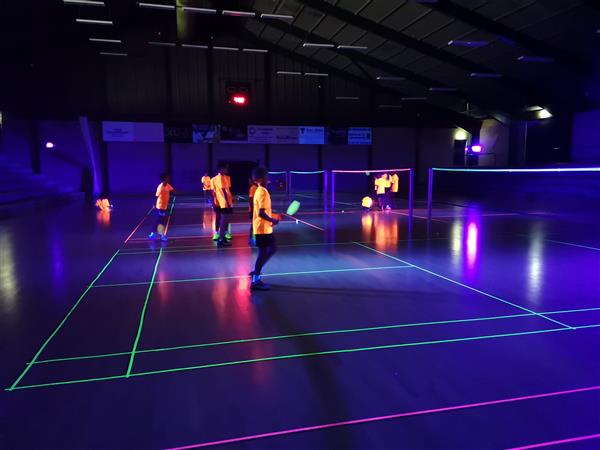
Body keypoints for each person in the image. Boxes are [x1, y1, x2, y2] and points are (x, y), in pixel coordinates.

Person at [250, 167, 279, 291]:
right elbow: (261, 213)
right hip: (262, 228)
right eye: (267, 176)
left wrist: (272, 218)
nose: (268, 178)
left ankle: (257, 270)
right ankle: (256, 280)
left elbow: (262, 211)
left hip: (264, 227)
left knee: (272, 249)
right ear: (262, 178)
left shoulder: (260, 190)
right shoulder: (262, 192)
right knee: (263, 253)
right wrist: (273, 220)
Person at [212, 162, 233, 248]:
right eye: (226, 168)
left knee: (225, 221)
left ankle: (223, 238)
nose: (227, 169)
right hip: (224, 202)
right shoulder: (219, 178)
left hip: (226, 202)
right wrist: (227, 202)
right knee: (223, 221)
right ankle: (220, 240)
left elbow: (227, 190)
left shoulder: (225, 177)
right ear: (221, 169)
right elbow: (223, 191)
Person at [149, 173, 174, 242]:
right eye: (167, 178)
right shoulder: (160, 187)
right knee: (161, 221)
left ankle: (152, 234)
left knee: (159, 221)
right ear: (164, 179)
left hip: (164, 207)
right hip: (160, 206)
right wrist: (154, 205)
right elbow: (156, 196)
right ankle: (162, 236)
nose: (169, 179)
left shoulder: (167, 185)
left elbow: (173, 190)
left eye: (169, 178)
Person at [248, 178, 258, 247]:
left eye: (249, 180)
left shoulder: (253, 188)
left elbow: (251, 199)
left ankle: (252, 239)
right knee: (253, 225)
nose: (249, 182)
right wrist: (252, 210)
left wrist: (252, 210)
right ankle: (252, 239)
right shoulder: (253, 188)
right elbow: (251, 200)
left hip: (254, 209)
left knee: (254, 225)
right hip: (253, 210)